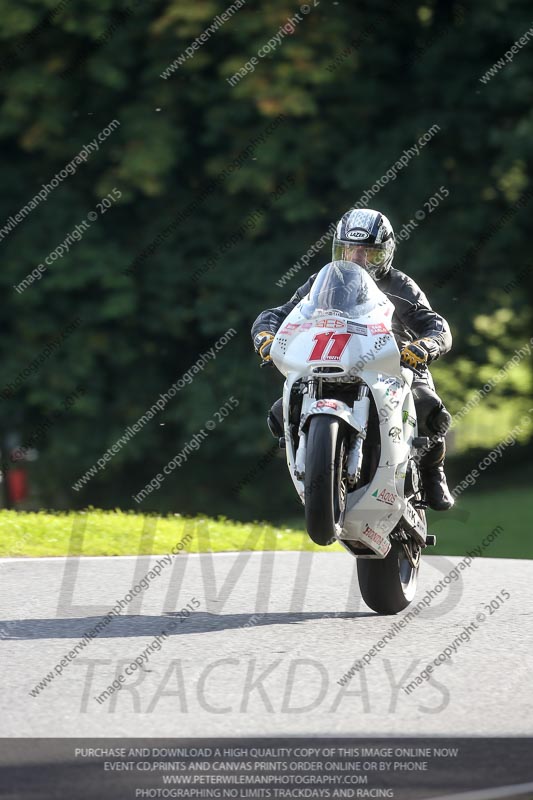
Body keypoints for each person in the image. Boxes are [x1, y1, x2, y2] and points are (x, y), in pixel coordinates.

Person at [251, 208, 454, 511]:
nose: (357, 259)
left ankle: (433, 473)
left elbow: (436, 326)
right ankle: (315, 465)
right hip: (333, 357)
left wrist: (426, 346)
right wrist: (265, 335)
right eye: (349, 250)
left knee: (429, 409)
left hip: (395, 363)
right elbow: (281, 314)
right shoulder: (322, 282)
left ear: (386, 253)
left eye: (368, 253)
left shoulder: (401, 286)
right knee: (281, 412)